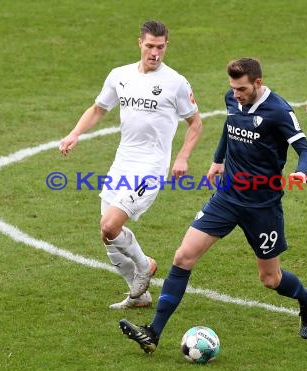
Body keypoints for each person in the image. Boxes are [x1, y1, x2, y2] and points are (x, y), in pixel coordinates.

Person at [119, 57, 307, 355]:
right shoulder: (232, 99)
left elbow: (305, 150)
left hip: (262, 206)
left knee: (270, 279)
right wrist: (217, 159)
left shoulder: (278, 111)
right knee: (183, 256)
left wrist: (301, 171)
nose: (235, 94)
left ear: (258, 84)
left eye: (241, 89)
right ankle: (153, 333)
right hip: (226, 197)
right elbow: (229, 127)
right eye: (233, 88)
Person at [59, 20, 202, 309]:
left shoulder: (175, 82)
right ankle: (140, 296)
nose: (155, 53)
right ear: (140, 43)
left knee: (111, 225)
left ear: (166, 46)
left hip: (151, 167)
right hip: (122, 163)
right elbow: (99, 109)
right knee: (106, 235)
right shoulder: (120, 75)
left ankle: (145, 265)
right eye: (150, 46)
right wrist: (74, 134)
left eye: (160, 47)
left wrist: (183, 156)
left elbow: (195, 123)